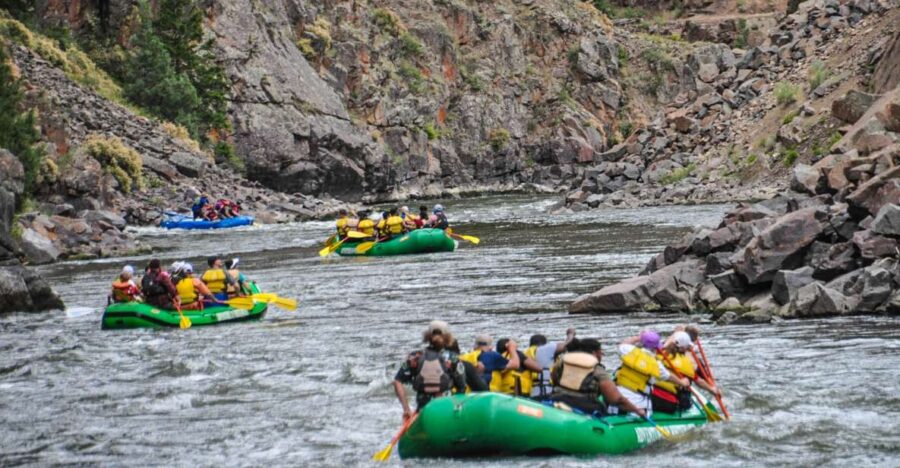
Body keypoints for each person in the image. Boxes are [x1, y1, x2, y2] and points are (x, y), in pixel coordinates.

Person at [550, 338, 646, 418]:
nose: (601, 356)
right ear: (594, 353)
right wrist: (637, 410)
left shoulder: (562, 363)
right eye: (600, 352)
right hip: (585, 406)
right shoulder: (597, 370)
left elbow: (554, 379)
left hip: (557, 399)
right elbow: (616, 399)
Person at [613, 330, 689, 417]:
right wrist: (682, 382)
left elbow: (623, 344)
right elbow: (669, 376)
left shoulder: (627, 350)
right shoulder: (657, 365)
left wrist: (638, 338)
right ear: (655, 348)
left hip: (617, 397)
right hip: (638, 404)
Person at [393, 331, 466, 420]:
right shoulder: (452, 358)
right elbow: (462, 387)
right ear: (446, 339)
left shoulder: (416, 357)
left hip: (424, 412)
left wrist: (406, 409)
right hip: (446, 410)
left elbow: (397, 381)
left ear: (428, 339)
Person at [653, 331, 719, 413]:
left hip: (650, 397)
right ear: (683, 348)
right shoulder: (686, 364)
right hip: (668, 404)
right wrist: (712, 390)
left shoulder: (659, 351)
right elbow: (699, 381)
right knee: (687, 387)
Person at [526, 328, 577, 400]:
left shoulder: (526, 353)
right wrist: (571, 333)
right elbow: (568, 344)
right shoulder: (544, 349)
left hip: (530, 394)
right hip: (545, 394)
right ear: (544, 344)